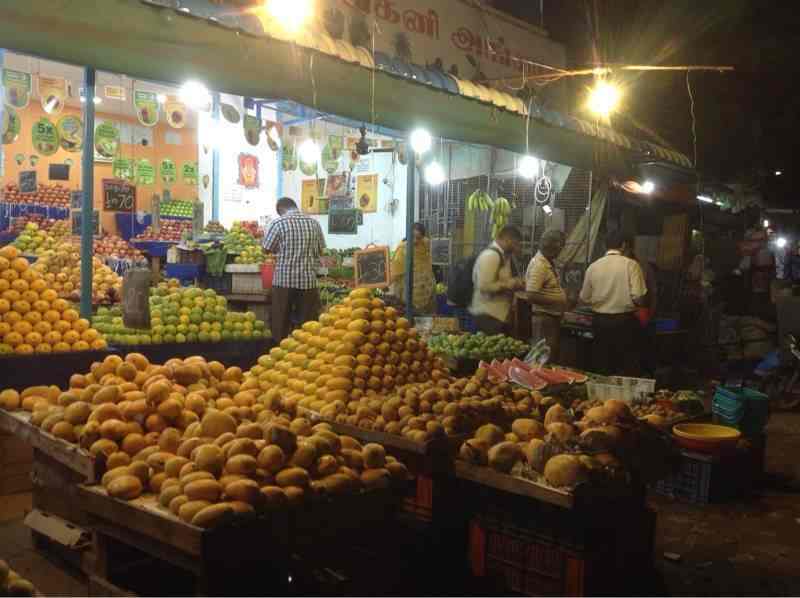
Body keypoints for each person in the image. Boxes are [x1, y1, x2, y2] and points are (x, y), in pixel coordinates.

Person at [579, 230, 647, 375]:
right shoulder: (631, 265)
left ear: (605, 246)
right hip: (624, 322)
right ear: (623, 245)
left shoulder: (593, 266)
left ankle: (601, 396)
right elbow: (639, 298)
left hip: (599, 322)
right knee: (625, 364)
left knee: (602, 363)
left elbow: (584, 298)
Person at [262, 197, 326, 342]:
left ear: (280, 210)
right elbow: (320, 251)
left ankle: (279, 355)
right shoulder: (314, 223)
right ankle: (306, 355)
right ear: (294, 206)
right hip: (308, 282)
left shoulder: (278, 223)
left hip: (284, 281)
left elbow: (265, 249)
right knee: (308, 325)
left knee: (280, 323)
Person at [469, 225, 524, 335]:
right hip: (488, 315)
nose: (517, 247)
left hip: (498, 315)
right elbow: (484, 287)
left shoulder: (505, 256)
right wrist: (509, 285)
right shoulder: (491, 256)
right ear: (507, 239)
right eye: (516, 243)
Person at [524, 230, 568, 360]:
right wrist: (556, 301)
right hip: (544, 318)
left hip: (550, 318)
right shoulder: (539, 265)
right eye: (561, 246)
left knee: (548, 355)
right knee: (543, 358)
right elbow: (531, 295)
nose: (561, 250)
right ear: (553, 245)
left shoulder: (546, 263)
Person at [625, 238, 658, 375]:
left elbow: (653, 291)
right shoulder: (640, 265)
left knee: (636, 350)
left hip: (639, 313)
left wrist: (651, 313)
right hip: (635, 313)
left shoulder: (641, 266)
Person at [390, 223, 435, 314]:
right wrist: (386, 284)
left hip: (427, 290)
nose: (415, 240)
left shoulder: (426, 245)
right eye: (413, 237)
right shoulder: (402, 249)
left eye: (418, 238)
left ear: (423, 237)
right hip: (410, 294)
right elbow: (395, 271)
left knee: (427, 321)